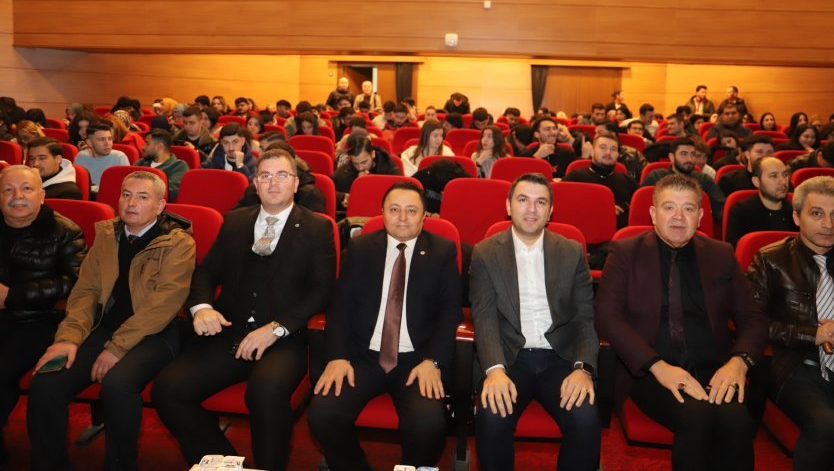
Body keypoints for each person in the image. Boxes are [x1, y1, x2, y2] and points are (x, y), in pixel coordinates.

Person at [153, 149, 336, 471]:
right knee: (168, 390)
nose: (273, 183)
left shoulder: (317, 227)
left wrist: (276, 328)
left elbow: (322, 291)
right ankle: (224, 463)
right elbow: (207, 271)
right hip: (231, 331)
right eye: (265, 176)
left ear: (296, 183)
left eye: (282, 175)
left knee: (265, 391)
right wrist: (202, 307)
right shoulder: (235, 221)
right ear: (255, 183)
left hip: (284, 338)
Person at [596, 174, 767, 471]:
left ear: (700, 217)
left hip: (714, 369)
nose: (678, 217)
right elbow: (607, 317)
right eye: (669, 207)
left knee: (738, 424)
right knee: (697, 417)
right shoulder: (625, 252)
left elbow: (752, 317)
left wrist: (739, 362)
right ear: (653, 214)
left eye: (688, 209)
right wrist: (658, 367)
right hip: (649, 371)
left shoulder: (721, 254)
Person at [28, 171, 195, 471]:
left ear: (160, 206)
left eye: (142, 197)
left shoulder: (177, 243)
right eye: (126, 195)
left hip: (157, 334)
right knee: (46, 382)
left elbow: (162, 306)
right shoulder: (108, 235)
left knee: (117, 385)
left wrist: (117, 347)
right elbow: (86, 293)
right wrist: (68, 338)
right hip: (105, 328)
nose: (131, 203)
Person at [308, 181, 461, 470]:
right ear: (382, 213)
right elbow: (341, 305)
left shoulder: (442, 251)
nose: (402, 217)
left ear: (424, 216)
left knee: (428, 424)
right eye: (394, 209)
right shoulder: (362, 247)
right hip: (363, 356)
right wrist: (338, 356)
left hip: (416, 360)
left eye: (411, 210)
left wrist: (433, 361)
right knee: (323, 414)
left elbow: (449, 313)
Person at [469, 173, 600, 470]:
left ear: (550, 211)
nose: (531, 209)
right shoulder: (485, 253)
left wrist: (583, 368)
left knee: (585, 419)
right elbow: (484, 317)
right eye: (523, 200)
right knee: (492, 416)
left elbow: (584, 318)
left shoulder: (571, 251)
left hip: (561, 358)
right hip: (509, 358)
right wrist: (494, 370)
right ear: (508, 206)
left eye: (540, 202)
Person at [746, 176, 834, 471]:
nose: (828, 224)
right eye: (817, 213)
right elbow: (752, 322)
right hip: (795, 367)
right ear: (796, 217)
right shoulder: (770, 259)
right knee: (828, 429)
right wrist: (812, 335)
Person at [0, 166, 85, 465]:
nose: (17, 196)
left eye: (26, 189)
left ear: (42, 195)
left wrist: (12, 295)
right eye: (8, 190)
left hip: (39, 320)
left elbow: (73, 283)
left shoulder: (66, 231)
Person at [564, 132, 638, 228]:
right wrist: (601, 210)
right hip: (582, 231)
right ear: (592, 151)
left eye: (613, 149)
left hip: (619, 234)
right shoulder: (575, 178)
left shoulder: (628, 182)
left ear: (617, 155)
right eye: (603, 147)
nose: (608, 153)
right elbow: (563, 207)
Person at [642, 137, 726, 221]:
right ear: (672, 157)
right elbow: (642, 211)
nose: (689, 159)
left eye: (693, 154)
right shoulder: (656, 177)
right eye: (683, 154)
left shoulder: (704, 179)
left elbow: (720, 211)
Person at [725, 156, 797, 247]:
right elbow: (737, 251)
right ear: (756, 182)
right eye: (774, 176)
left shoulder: (796, 211)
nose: (783, 181)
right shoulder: (741, 212)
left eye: (785, 175)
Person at [333, 133, 402, 212]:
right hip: (355, 215)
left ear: (373, 154)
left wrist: (370, 182)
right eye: (355, 163)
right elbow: (328, 191)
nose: (360, 168)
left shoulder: (390, 169)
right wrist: (342, 197)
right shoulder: (345, 169)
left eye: (364, 162)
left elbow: (402, 194)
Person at [73, 123, 130, 194]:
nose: (107, 143)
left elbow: (127, 187)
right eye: (101, 140)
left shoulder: (119, 157)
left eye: (110, 139)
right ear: (89, 142)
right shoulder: (81, 156)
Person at [135, 129, 189, 201]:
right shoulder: (141, 163)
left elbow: (170, 192)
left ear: (159, 147)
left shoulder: (178, 166)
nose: (143, 147)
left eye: (147, 143)